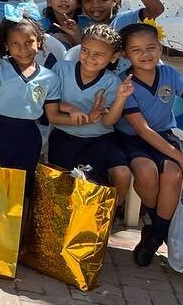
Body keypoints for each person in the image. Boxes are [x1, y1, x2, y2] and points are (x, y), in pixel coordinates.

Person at [115, 22, 183, 266]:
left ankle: (154, 235)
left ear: (160, 48)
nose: (145, 54)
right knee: (146, 171)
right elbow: (142, 130)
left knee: (172, 176)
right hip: (132, 139)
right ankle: (159, 228)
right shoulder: (124, 81)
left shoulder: (169, 74)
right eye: (136, 50)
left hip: (164, 134)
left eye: (151, 47)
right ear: (125, 54)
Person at [45, 24, 133, 192]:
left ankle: (112, 212)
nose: (90, 57)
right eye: (85, 50)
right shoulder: (61, 69)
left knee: (110, 178)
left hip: (100, 139)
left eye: (99, 54)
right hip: (65, 137)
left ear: (113, 57)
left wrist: (121, 98)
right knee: (63, 185)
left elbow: (108, 121)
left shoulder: (111, 81)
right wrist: (72, 109)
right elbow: (49, 103)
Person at [0, 17, 56, 174]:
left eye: (29, 42)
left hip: (28, 138)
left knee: (22, 185)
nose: (23, 49)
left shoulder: (50, 78)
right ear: (6, 45)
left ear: (39, 42)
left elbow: (53, 112)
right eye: (15, 43)